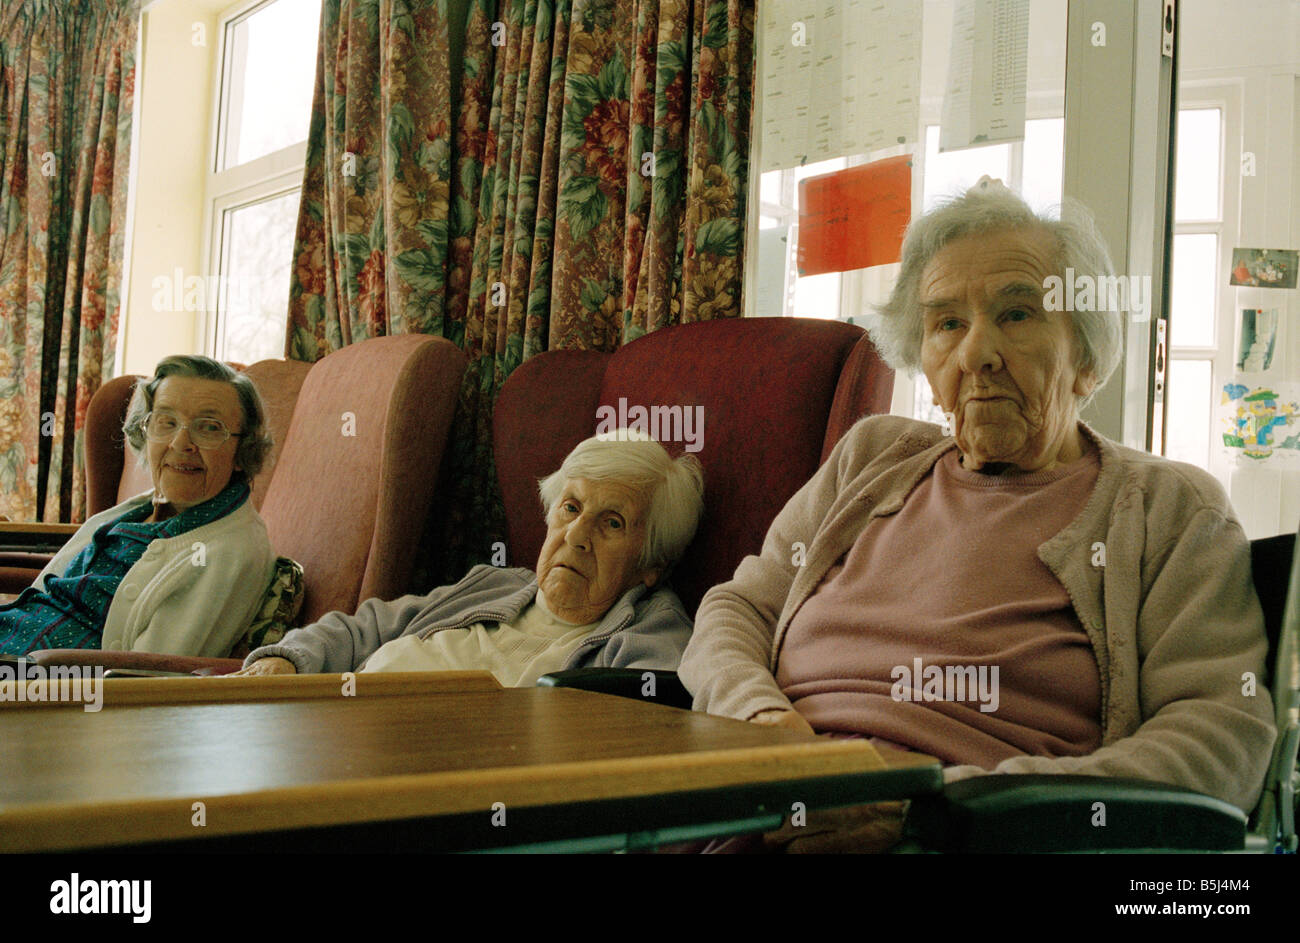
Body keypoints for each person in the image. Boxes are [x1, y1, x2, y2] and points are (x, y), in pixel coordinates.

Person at [678, 182, 1276, 850]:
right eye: (947, 323)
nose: (977, 354)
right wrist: (761, 724)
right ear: (925, 362)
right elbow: (736, 611)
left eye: (1017, 314)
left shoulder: (1168, 510)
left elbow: (1223, 736)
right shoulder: (870, 459)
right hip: (755, 813)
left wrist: (937, 810)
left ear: (1085, 351)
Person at [229, 430, 704, 684]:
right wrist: (290, 660)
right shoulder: (495, 586)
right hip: (332, 737)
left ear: (651, 565)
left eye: (612, 523)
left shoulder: (650, 633)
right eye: (571, 508)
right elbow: (363, 628)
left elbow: (632, 739)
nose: (577, 536)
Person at [0, 355, 276, 656]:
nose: (180, 443)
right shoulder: (140, 511)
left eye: (209, 428)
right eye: (166, 422)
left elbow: (145, 678)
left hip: (40, 686)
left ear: (242, 449)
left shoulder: (231, 554)